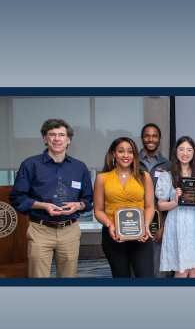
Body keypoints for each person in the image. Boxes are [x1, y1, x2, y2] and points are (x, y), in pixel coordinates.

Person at [9, 118, 93, 278]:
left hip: (69, 231)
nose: (57, 139)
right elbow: (17, 198)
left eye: (61, 135)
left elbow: (88, 199)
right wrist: (43, 206)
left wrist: (78, 206)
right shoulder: (30, 164)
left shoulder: (79, 167)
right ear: (45, 139)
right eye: (52, 134)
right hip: (40, 230)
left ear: (68, 140)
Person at [156, 136, 195, 278]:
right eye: (182, 149)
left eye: (189, 150)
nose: (185, 153)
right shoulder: (167, 177)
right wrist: (175, 202)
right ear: (176, 152)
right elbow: (160, 206)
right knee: (181, 269)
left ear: (193, 153)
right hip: (178, 224)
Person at [93, 137, 155, 278]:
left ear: (134, 155)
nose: (126, 155)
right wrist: (110, 225)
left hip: (141, 235)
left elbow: (150, 206)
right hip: (113, 236)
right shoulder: (102, 178)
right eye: (121, 151)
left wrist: (145, 225)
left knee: (146, 278)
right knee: (121, 277)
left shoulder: (144, 176)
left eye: (130, 152)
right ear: (113, 154)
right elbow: (98, 210)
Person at [138, 123, 172, 278]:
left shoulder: (169, 165)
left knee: (159, 271)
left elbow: (171, 200)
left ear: (160, 139)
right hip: (135, 222)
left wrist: (164, 226)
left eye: (154, 136)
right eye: (147, 135)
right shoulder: (131, 162)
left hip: (159, 224)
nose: (150, 139)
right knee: (137, 269)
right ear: (141, 138)